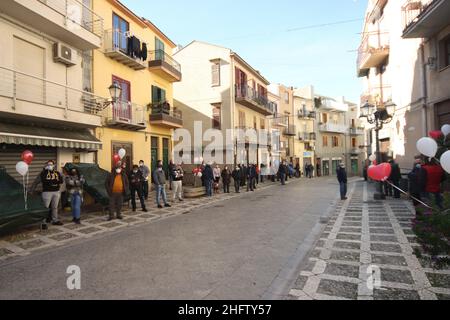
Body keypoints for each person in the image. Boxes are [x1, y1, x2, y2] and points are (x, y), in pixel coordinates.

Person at [30, 160, 64, 226]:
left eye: (51, 164)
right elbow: (36, 182)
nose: (50, 166)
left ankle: (55, 220)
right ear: (46, 165)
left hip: (56, 192)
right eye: (48, 164)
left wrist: (57, 187)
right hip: (47, 192)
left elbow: (61, 181)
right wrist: (31, 190)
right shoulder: (43, 173)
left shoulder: (57, 173)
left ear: (54, 165)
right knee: (45, 208)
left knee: (55, 207)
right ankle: (43, 223)